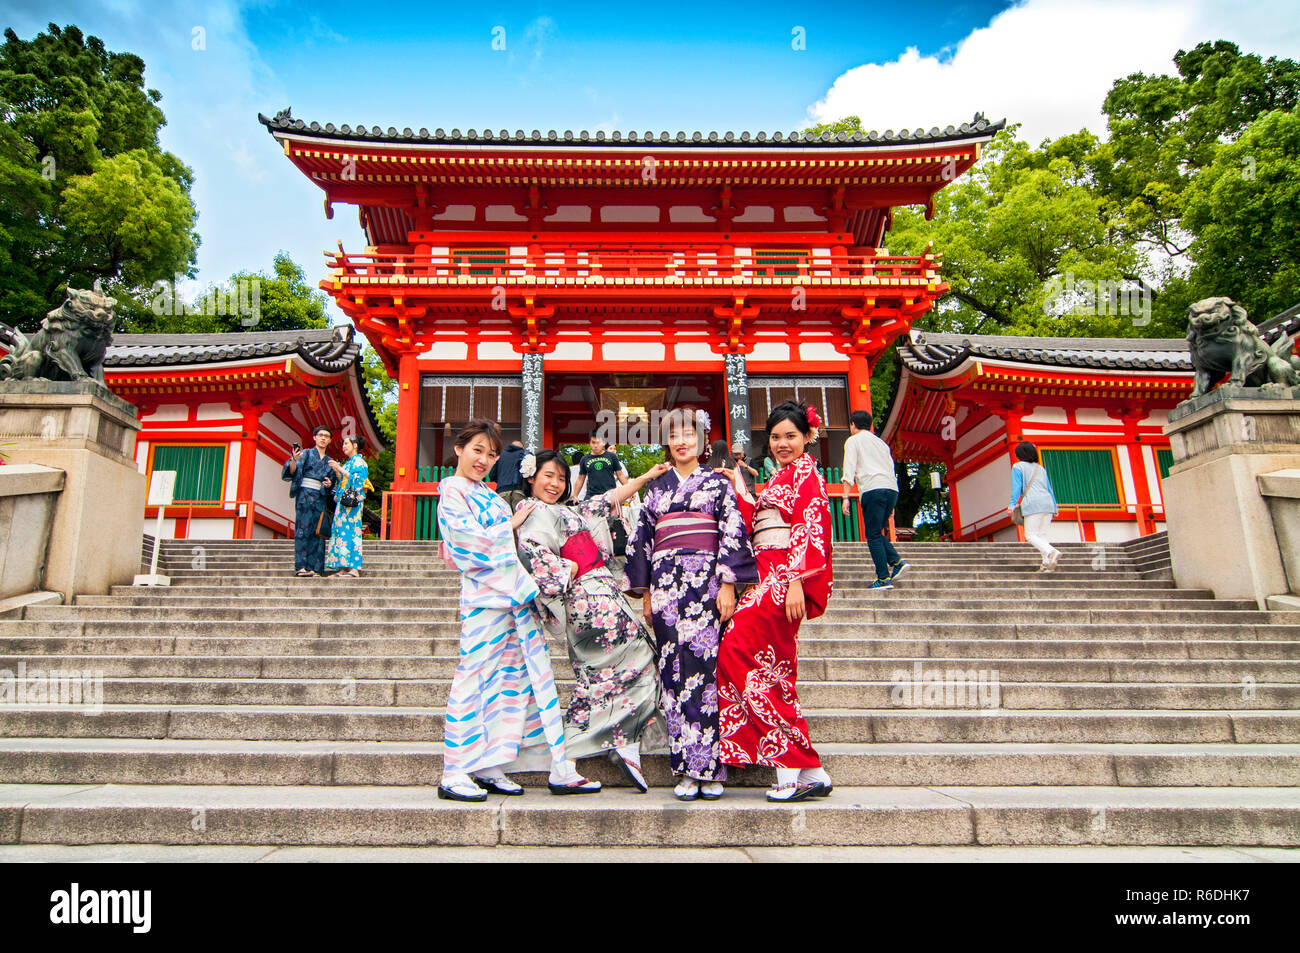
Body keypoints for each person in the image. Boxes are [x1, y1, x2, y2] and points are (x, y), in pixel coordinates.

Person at [435, 419, 601, 801]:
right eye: (477, 450)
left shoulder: (489, 495)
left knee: (516, 682)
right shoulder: (453, 492)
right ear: (459, 449)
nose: (484, 460)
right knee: (474, 678)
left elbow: (522, 545)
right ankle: (455, 769)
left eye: (491, 454)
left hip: (515, 601)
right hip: (486, 601)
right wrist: (508, 527)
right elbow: (464, 545)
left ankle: (493, 764)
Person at [515, 448, 672, 792]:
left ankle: (611, 744)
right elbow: (532, 552)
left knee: (623, 666)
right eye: (548, 476)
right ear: (531, 478)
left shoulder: (567, 511)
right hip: (586, 598)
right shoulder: (533, 511)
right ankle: (585, 754)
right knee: (622, 667)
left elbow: (609, 498)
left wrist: (645, 478)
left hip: (602, 594)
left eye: (560, 477)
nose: (555, 483)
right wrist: (566, 568)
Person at [626, 408, 758, 801]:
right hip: (665, 585)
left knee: (706, 670)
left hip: (705, 582)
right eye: (674, 435)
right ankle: (685, 767)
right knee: (673, 672)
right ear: (667, 441)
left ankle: (711, 766)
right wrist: (647, 593)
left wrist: (728, 583)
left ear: (702, 442)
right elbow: (642, 541)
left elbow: (732, 529)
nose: (681, 441)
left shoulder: (717, 485)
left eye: (689, 434)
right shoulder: (656, 488)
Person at [718, 400, 835, 802]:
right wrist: (735, 486)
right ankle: (811, 768)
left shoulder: (807, 476)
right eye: (775, 437)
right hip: (768, 575)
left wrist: (799, 581)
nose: (782, 443)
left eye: (790, 436)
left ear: (806, 438)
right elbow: (757, 519)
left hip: (784, 579)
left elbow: (809, 525)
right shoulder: (783, 476)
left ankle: (786, 768)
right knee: (771, 670)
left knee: (738, 653)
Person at [841, 410, 908, 589]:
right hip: (891, 489)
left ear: (853, 425)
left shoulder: (853, 440)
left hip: (872, 488)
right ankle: (896, 562)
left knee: (872, 534)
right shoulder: (881, 443)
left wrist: (845, 496)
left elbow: (849, 471)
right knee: (876, 532)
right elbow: (890, 466)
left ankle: (884, 577)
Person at [282, 426, 334, 577]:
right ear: (314, 438)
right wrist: (293, 459)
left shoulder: (330, 462)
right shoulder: (304, 454)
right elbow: (291, 472)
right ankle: (301, 566)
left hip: (320, 496)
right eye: (320, 435)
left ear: (330, 440)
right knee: (302, 529)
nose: (323, 438)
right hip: (305, 495)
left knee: (318, 532)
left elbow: (332, 483)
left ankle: (316, 568)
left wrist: (329, 484)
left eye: (326, 436)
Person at [1008, 441, 1061, 571]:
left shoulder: (1018, 467)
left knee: (1030, 535)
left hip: (1032, 503)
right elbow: (1049, 488)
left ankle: (1051, 552)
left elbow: (1017, 488)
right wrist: (1055, 506)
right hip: (1048, 503)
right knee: (1042, 535)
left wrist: (1012, 505)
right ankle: (1046, 564)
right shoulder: (1040, 468)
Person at [325, 435, 369, 578]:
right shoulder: (349, 463)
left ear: (355, 445)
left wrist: (340, 469)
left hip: (352, 503)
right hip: (343, 502)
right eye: (343, 444)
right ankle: (343, 567)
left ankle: (354, 568)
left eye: (346, 444)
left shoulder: (360, 462)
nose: (343, 447)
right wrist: (338, 472)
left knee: (351, 532)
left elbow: (358, 481)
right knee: (340, 532)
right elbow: (344, 480)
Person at [573, 433, 626, 500]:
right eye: (593, 443)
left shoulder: (612, 456)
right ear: (590, 443)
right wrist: (575, 495)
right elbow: (580, 479)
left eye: (598, 443)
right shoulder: (584, 459)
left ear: (603, 443)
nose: (595, 445)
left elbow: (620, 475)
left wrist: (630, 491)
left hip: (610, 494)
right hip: (591, 496)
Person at [489, 439, 528, 510]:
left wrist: (501, 480)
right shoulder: (525, 454)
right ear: (522, 447)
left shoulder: (500, 456)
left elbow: (492, 475)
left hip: (502, 492)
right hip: (519, 491)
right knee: (520, 518)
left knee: (505, 518)